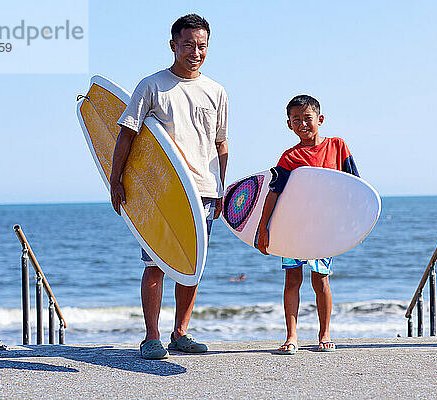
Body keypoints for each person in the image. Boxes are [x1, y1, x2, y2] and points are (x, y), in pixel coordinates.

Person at [110, 14, 228, 360]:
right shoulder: (151, 85)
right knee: (155, 264)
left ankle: (181, 333)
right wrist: (116, 180)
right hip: (163, 193)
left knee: (192, 264)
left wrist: (220, 187)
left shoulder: (216, 91)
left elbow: (221, 144)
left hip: (204, 190)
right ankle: (151, 337)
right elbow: (127, 132)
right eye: (189, 44)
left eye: (202, 45)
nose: (195, 51)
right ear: (173, 44)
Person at [255, 95, 359, 355]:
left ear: (320, 120)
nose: (302, 124)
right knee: (292, 279)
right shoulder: (289, 157)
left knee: (321, 280)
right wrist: (263, 228)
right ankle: (291, 336)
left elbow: (355, 187)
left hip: (323, 230)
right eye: (296, 120)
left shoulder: (338, 147)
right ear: (289, 124)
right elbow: (274, 192)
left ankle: (324, 333)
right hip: (294, 228)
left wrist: (351, 224)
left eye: (307, 118)